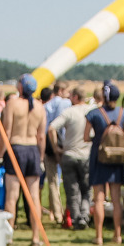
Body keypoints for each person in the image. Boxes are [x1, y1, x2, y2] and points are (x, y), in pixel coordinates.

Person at [0, 73, 47, 246]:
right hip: (33, 149)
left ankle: (9, 236)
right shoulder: (40, 107)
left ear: (20, 87)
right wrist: (40, 157)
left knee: (12, 195)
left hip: (16, 148)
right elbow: (42, 136)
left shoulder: (12, 103)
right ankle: (35, 237)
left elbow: (7, 131)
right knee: (34, 196)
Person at [83, 81, 124, 245]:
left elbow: (85, 136)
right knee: (116, 199)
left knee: (99, 198)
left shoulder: (94, 114)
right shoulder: (123, 113)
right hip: (117, 160)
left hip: (99, 156)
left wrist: (97, 139)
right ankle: (118, 234)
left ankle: (99, 236)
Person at [49, 86, 93, 229]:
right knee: (86, 189)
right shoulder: (91, 111)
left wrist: (56, 148)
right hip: (86, 155)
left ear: (75, 97)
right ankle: (85, 215)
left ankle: (75, 218)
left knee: (72, 190)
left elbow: (51, 128)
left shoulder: (69, 112)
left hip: (69, 154)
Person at [41, 83, 69, 223]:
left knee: (52, 181)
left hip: (48, 145)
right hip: (62, 144)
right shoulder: (65, 104)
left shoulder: (46, 106)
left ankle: (56, 213)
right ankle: (67, 212)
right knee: (68, 179)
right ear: (61, 90)